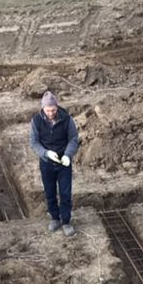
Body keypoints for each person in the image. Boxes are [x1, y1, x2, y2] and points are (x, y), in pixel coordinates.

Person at [28, 91, 80, 237]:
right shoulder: (36, 121)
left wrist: (68, 155)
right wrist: (45, 153)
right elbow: (33, 142)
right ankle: (55, 218)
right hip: (47, 163)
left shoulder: (66, 119)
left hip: (64, 162)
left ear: (57, 107)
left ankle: (66, 221)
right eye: (48, 110)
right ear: (43, 108)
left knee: (65, 193)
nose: (51, 113)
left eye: (53, 110)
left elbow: (73, 139)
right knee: (50, 192)